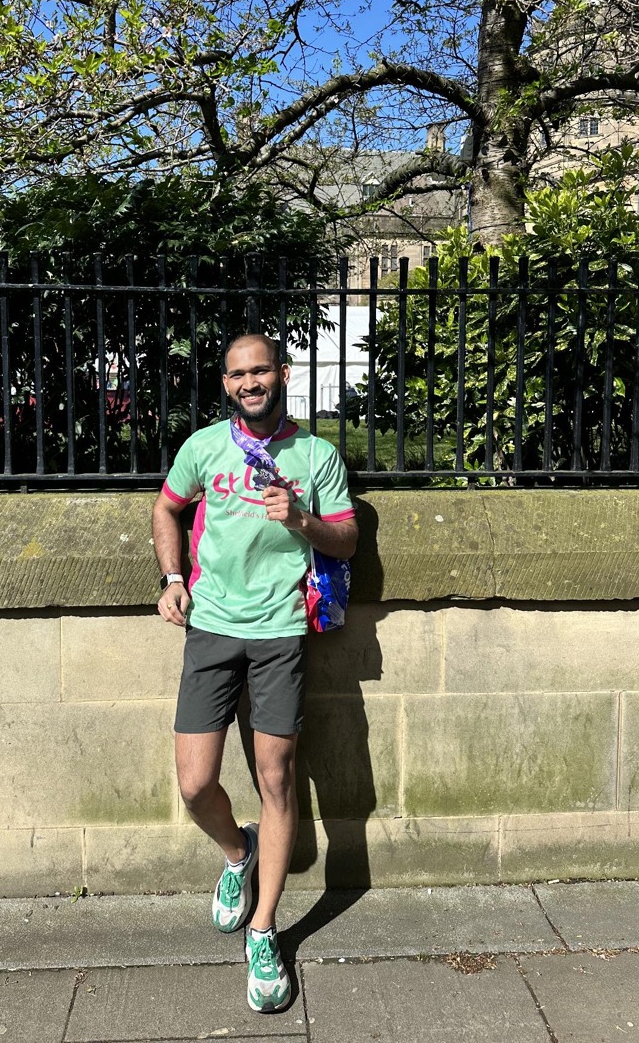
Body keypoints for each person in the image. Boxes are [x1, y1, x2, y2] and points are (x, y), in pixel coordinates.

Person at [152, 333, 358, 1013]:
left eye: (261, 370)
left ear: (283, 374)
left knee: (277, 780)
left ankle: (264, 931)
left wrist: (302, 519)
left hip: (280, 633)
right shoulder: (205, 447)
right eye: (239, 374)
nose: (250, 382)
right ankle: (238, 852)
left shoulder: (316, 456)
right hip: (211, 626)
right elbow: (166, 507)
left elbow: (347, 538)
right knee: (194, 784)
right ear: (226, 383)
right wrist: (172, 577)